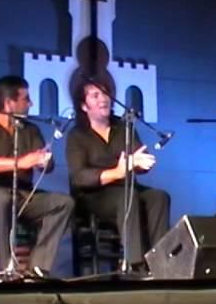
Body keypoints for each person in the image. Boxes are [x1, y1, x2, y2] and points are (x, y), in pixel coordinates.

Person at [0, 75, 74, 279]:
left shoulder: (31, 129)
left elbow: (46, 165)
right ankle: (7, 270)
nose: (31, 103)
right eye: (26, 99)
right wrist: (21, 162)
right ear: (9, 103)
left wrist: (44, 161)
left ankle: (38, 267)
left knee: (63, 203)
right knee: (1, 199)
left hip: (24, 193)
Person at [66, 79, 170, 275]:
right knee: (126, 198)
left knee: (159, 197)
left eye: (106, 94)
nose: (103, 99)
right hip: (94, 195)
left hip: (127, 187)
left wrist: (140, 164)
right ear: (83, 105)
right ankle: (135, 266)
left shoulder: (124, 128)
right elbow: (79, 176)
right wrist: (116, 172)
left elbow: (138, 161)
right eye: (95, 95)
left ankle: (159, 261)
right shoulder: (77, 135)